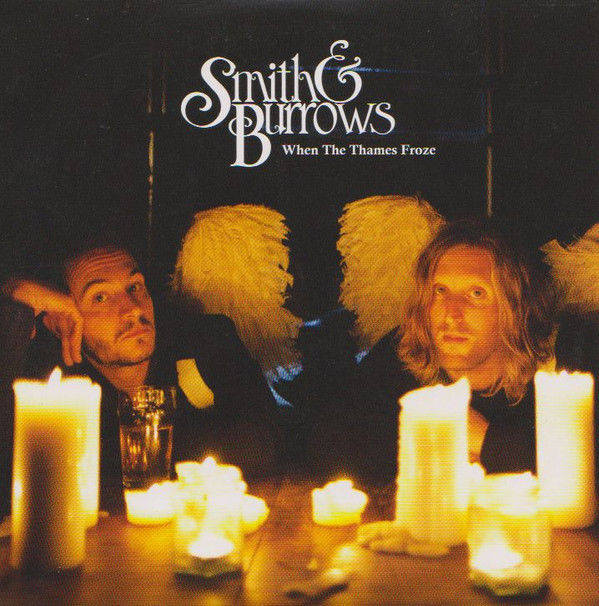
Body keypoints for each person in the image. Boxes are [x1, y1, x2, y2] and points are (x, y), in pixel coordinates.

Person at [0, 236, 282, 514]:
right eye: (100, 297)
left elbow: (263, 443)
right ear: (58, 320)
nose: (133, 309)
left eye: (134, 287)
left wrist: (119, 452)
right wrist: (12, 303)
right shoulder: (51, 382)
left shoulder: (204, 338)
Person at [307, 219, 555, 480]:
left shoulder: (558, 362)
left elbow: (577, 461)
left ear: (515, 305)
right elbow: (327, 445)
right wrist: (442, 440)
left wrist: (484, 440)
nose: (451, 314)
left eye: (476, 293)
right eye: (441, 291)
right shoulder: (406, 350)